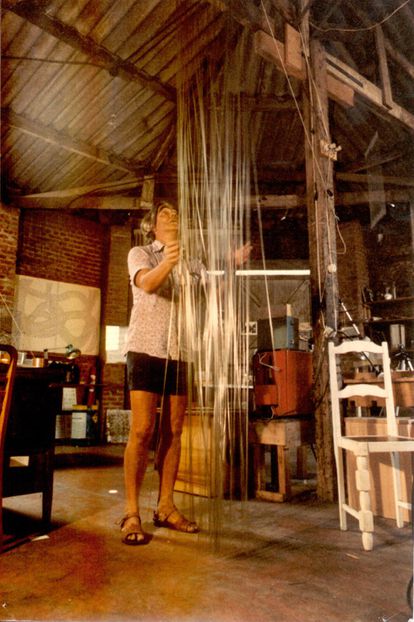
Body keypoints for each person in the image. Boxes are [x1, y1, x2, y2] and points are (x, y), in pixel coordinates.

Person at [119, 200, 251, 545]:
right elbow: (147, 284)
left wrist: (232, 268)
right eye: (165, 214)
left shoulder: (194, 264)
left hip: (182, 353)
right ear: (153, 226)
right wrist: (169, 260)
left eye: (176, 214)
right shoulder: (141, 252)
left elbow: (213, 297)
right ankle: (132, 513)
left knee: (175, 430)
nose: (172, 216)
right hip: (146, 349)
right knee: (143, 430)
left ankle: (165, 506)